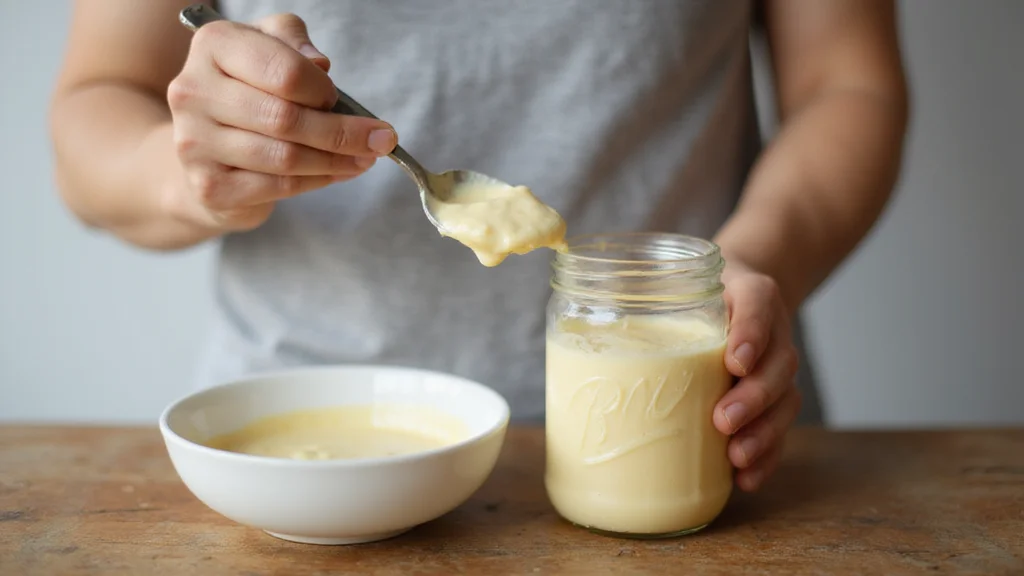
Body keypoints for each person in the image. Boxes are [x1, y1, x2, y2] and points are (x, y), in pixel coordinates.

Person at [49, 1, 908, 492]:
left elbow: (849, 82)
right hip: (292, 466)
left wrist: (751, 262)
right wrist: (189, 169)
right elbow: (97, 101)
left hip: (706, 433)